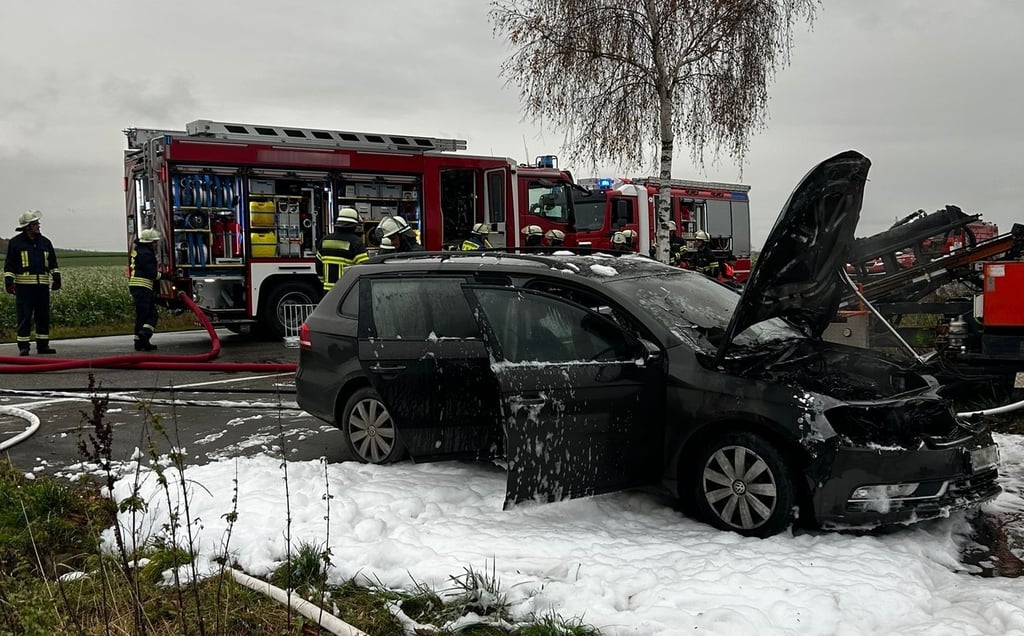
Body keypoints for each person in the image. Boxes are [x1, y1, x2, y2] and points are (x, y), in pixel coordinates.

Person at [4, 210, 60, 356]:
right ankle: (24, 346)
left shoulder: (45, 242)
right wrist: (9, 281)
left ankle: (43, 345)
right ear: (27, 226)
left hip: (42, 286)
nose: (38, 226)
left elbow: (53, 263)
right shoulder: (15, 243)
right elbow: (9, 265)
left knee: (43, 315)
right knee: (24, 316)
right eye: (35, 224)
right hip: (24, 288)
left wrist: (56, 278)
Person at [128, 228, 164, 351]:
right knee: (151, 315)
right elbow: (152, 273)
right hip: (142, 287)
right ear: (149, 242)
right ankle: (145, 334)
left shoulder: (139, 250)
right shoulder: (146, 253)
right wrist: (166, 277)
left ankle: (139, 342)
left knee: (142, 315)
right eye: (154, 242)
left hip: (137, 286)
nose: (156, 245)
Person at [316, 207, 369, 292]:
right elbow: (364, 268)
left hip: (327, 292)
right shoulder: (356, 243)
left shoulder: (324, 241)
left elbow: (318, 266)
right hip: (347, 291)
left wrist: (324, 282)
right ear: (353, 225)